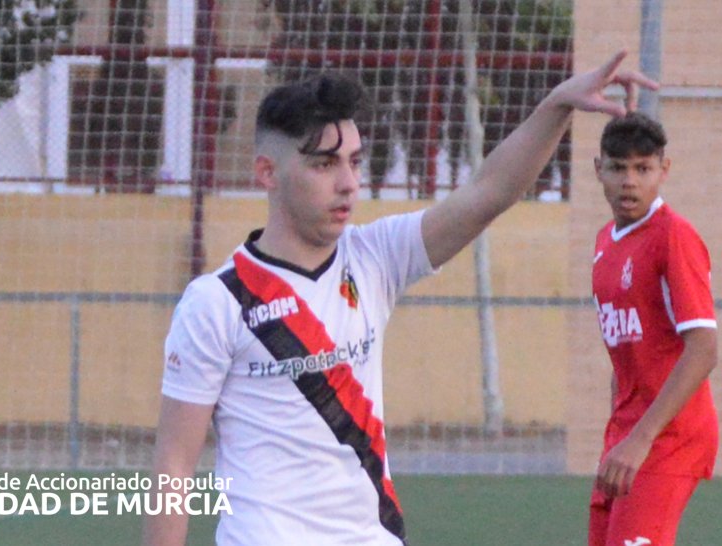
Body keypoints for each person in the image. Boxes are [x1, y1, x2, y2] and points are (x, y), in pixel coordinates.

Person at [143, 50, 657, 546]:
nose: (348, 183)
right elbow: (174, 466)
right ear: (267, 174)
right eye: (324, 165)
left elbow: (487, 193)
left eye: (354, 161)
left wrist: (557, 105)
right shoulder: (216, 302)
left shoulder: (373, 257)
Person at [588, 112, 719, 546]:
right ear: (598, 170)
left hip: (669, 436)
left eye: (643, 169)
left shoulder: (673, 237)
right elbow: (627, 353)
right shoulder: (605, 242)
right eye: (618, 167)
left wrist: (640, 439)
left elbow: (703, 348)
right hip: (627, 434)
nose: (630, 181)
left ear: (664, 171)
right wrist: (620, 434)